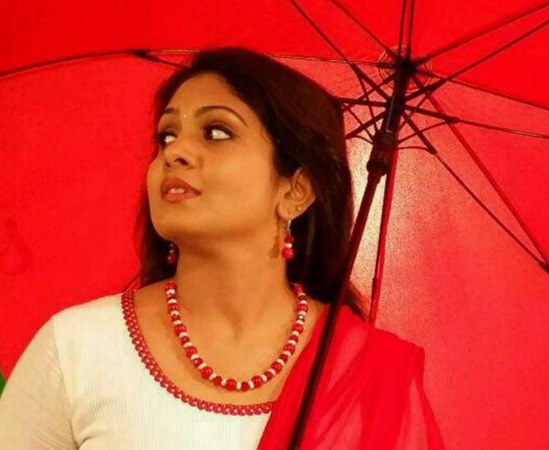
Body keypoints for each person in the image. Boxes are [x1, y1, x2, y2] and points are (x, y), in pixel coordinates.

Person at [0, 47, 446, 449]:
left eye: (216, 132)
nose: (175, 152)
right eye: (166, 135)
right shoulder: (79, 347)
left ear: (295, 190)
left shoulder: (368, 373)